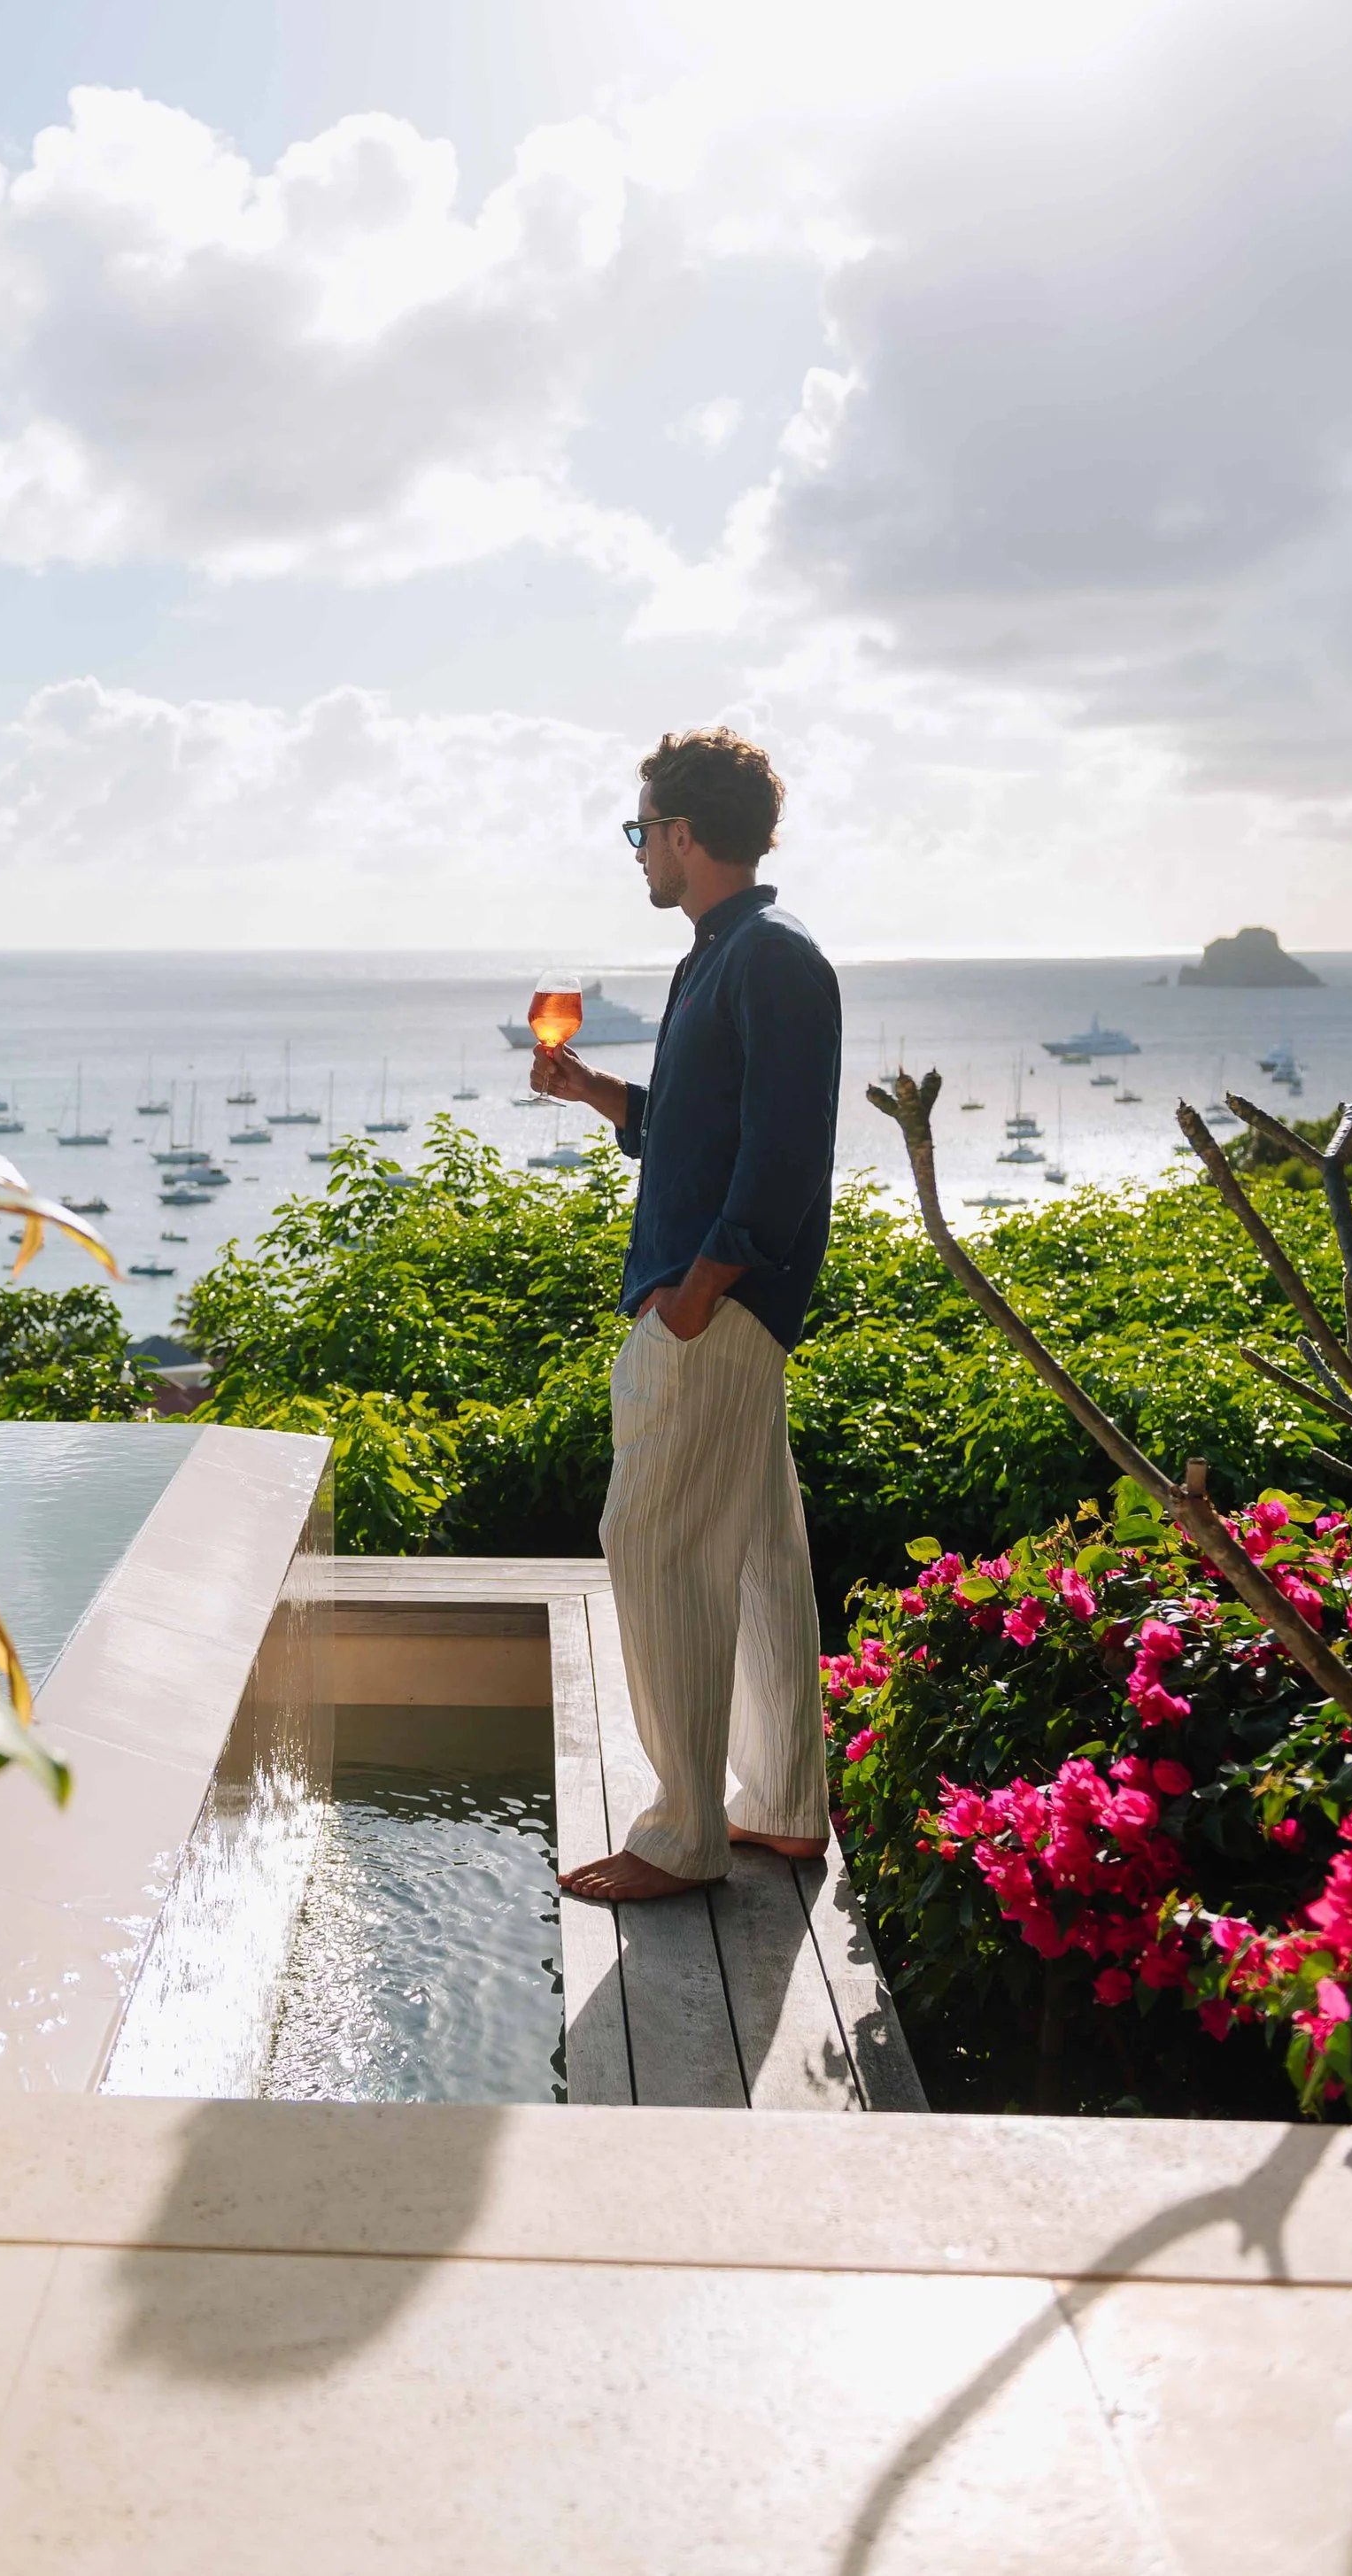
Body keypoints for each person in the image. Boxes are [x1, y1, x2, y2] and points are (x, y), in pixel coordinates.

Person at [531, 729, 840, 1904]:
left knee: (649, 1540)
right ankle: (783, 1808)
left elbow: (784, 1151)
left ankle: (681, 1836)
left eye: (639, 832)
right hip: (715, 1298)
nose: (636, 855)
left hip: (714, 1305)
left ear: (682, 833)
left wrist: (704, 1287)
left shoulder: (768, 958)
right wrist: (600, 1094)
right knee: (758, 1555)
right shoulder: (721, 955)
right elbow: (705, 1129)